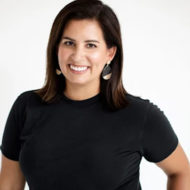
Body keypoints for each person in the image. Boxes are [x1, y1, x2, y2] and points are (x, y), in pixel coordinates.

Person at [0, 0, 190, 189]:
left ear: (110, 53)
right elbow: (8, 185)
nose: (77, 55)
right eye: (69, 43)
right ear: (56, 47)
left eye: (90, 45)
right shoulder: (26, 107)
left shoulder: (140, 115)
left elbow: (181, 171)